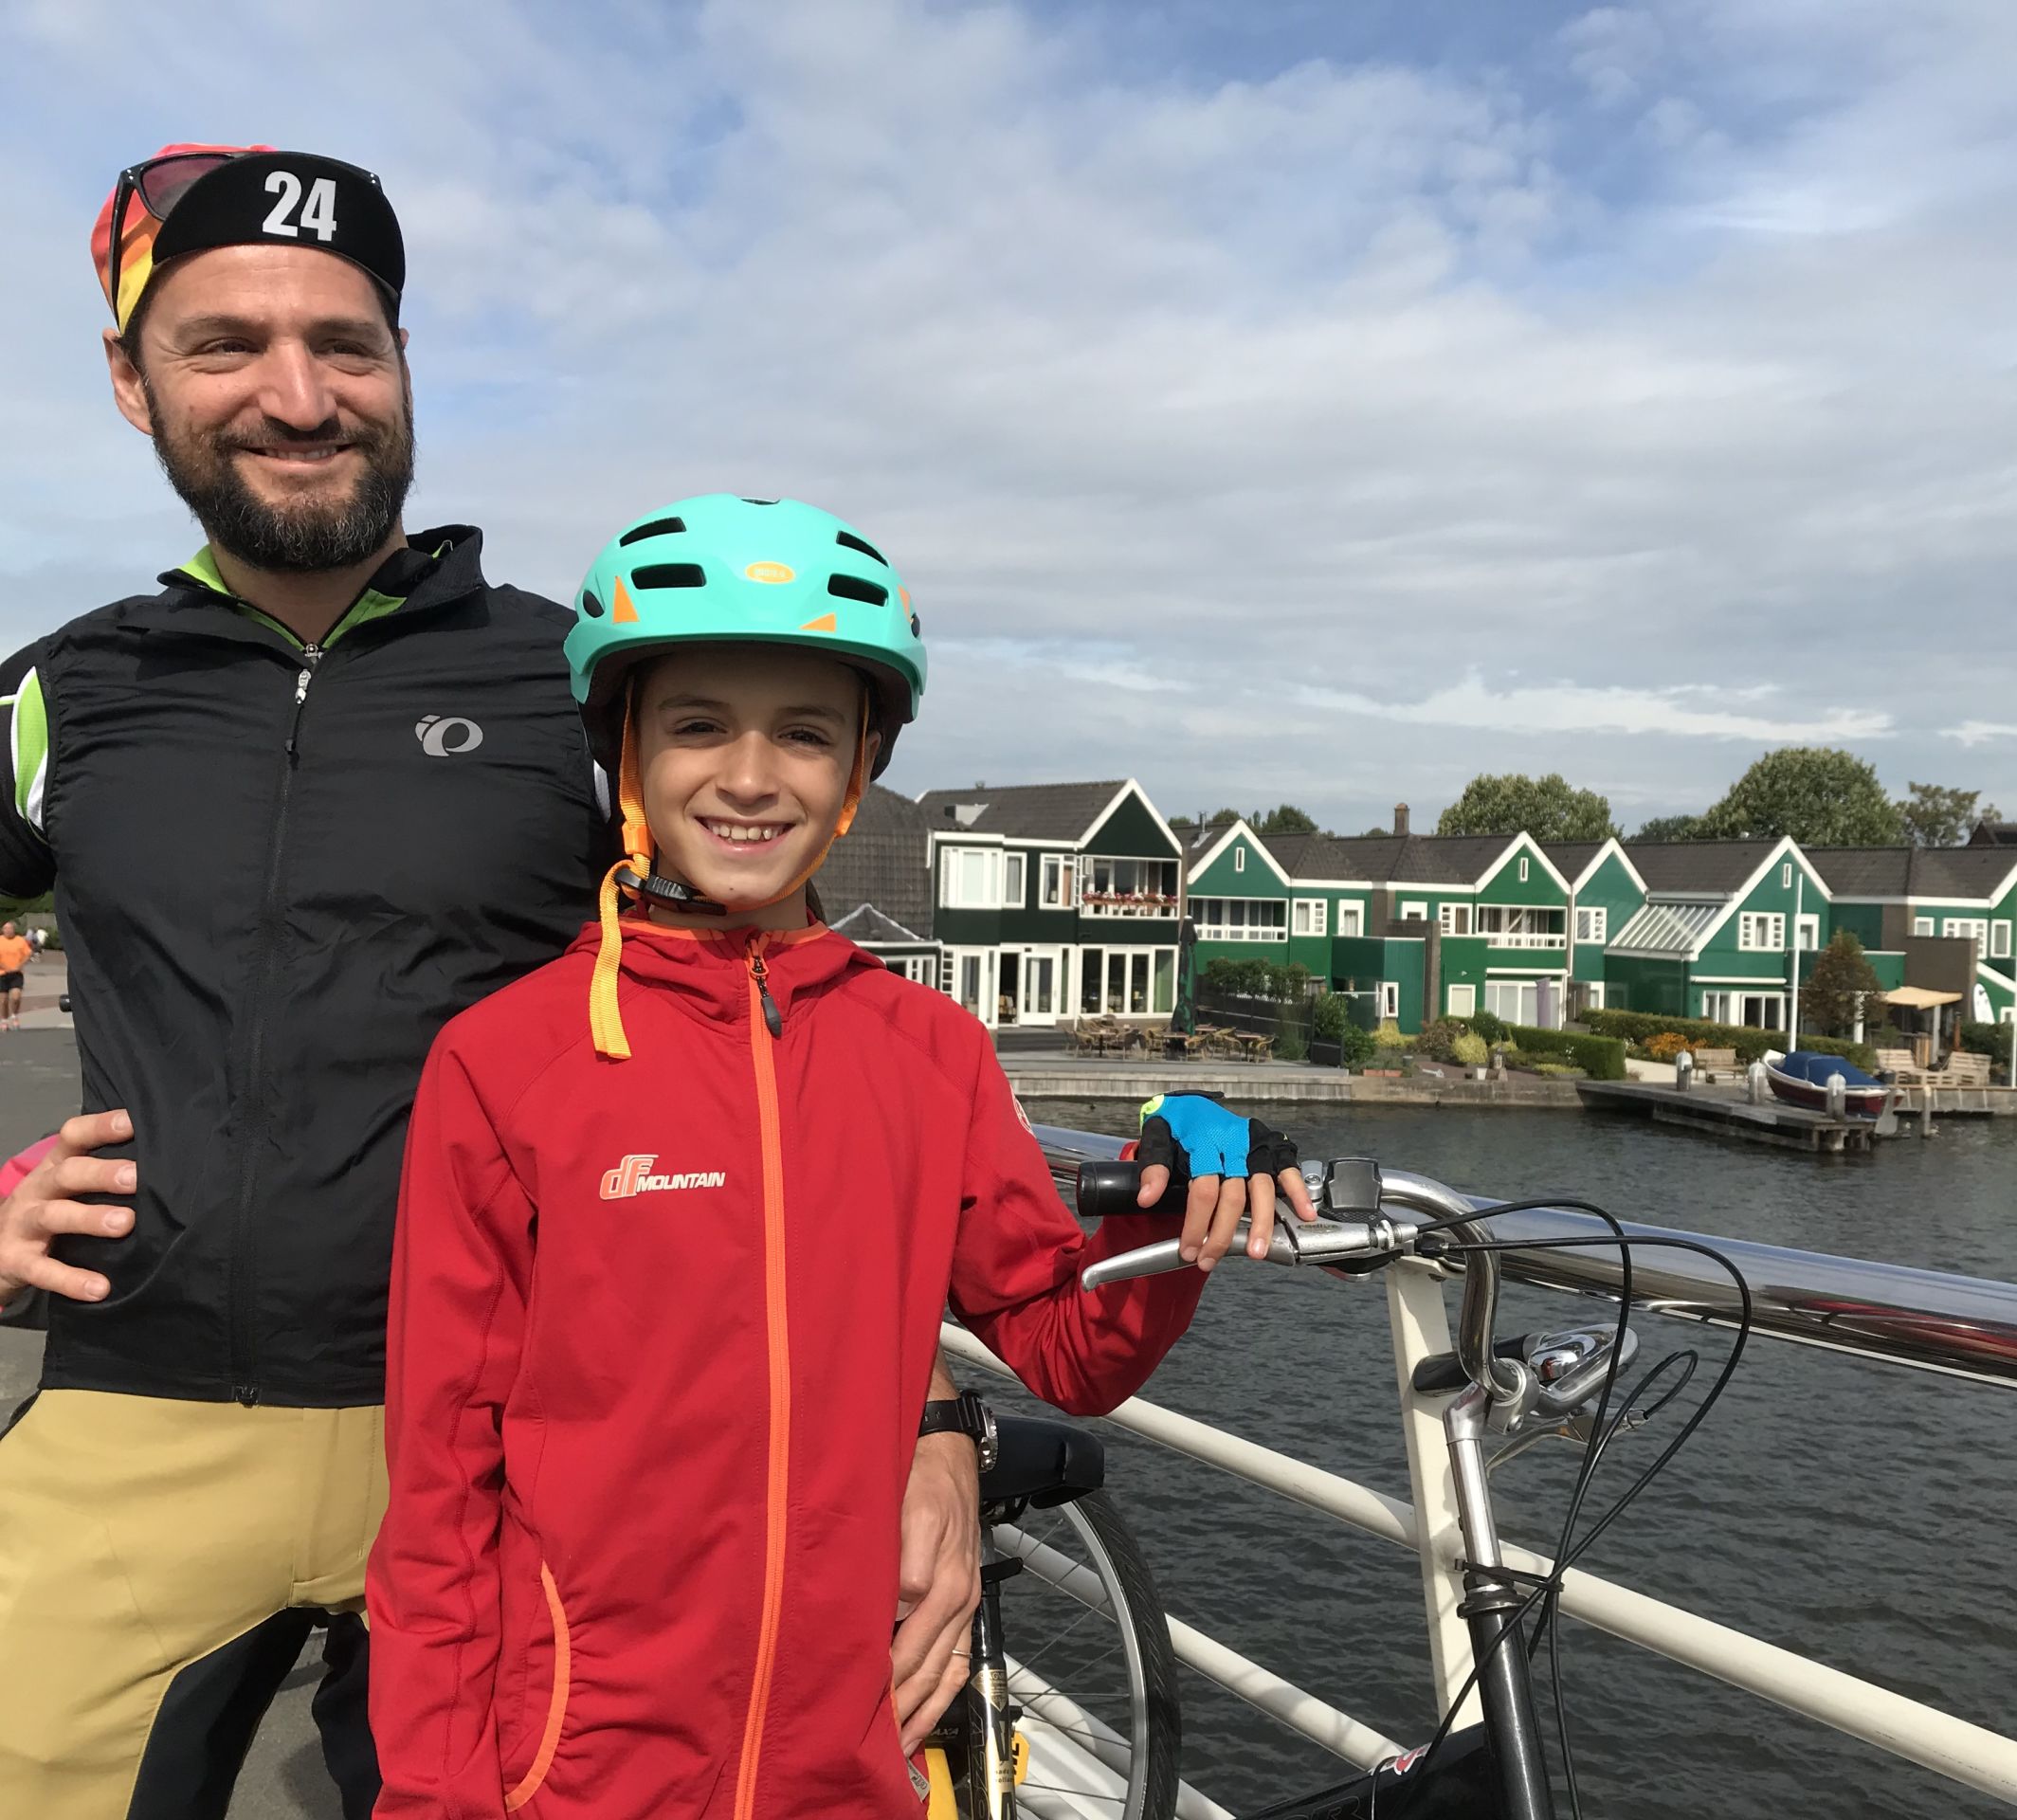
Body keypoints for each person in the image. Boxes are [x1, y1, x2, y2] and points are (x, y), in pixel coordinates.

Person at [0, 142, 1301, 1820]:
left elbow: (760, 1072)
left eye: (345, 342)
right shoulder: (57, 693)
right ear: (132, 379)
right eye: (227, 344)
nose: (296, 394)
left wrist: (924, 1421)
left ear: (404, 364)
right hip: (158, 1403)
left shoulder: (569, 678)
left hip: (534, 1464)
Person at [371, 497, 1304, 1816]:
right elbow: (439, 1494)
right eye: (698, 723)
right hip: (573, 1767)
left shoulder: (926, 1049)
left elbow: (1064, 1344)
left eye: (804, 733)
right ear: (623, 750)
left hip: (849, 1763)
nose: (750, 778)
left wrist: (1174, 1194)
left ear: (859, 765)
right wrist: (436, 1797)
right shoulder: (506, 1060)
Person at [0, 920, 29, 1028]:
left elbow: (27, 954)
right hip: (2, 974)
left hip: (16, 974)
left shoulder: (20, 940)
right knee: (3, 1000)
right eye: (6, 928)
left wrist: (19, 965)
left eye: (10, 928)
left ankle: (14, 1015)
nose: (8, 930)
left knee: (16, 997)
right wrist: (5, 967)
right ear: (2, 930)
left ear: (14, 929)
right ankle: (4, 1020)